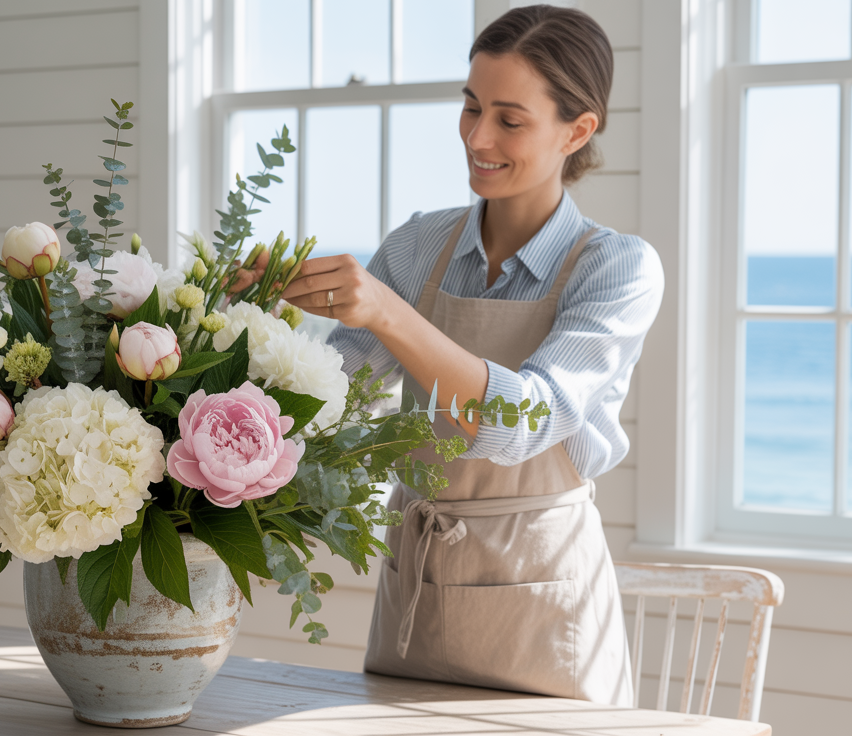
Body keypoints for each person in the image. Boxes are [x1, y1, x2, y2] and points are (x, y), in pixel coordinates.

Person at [281, 5, 663, 706]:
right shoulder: (416, 247)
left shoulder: (615, 269)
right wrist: (260, 325)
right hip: (415, 593)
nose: (478, 138)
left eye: (509, 120)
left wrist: (390, 312)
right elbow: (332, 406)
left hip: (547, 610)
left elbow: (525, 421)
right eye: (470, 108)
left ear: (577, 131)